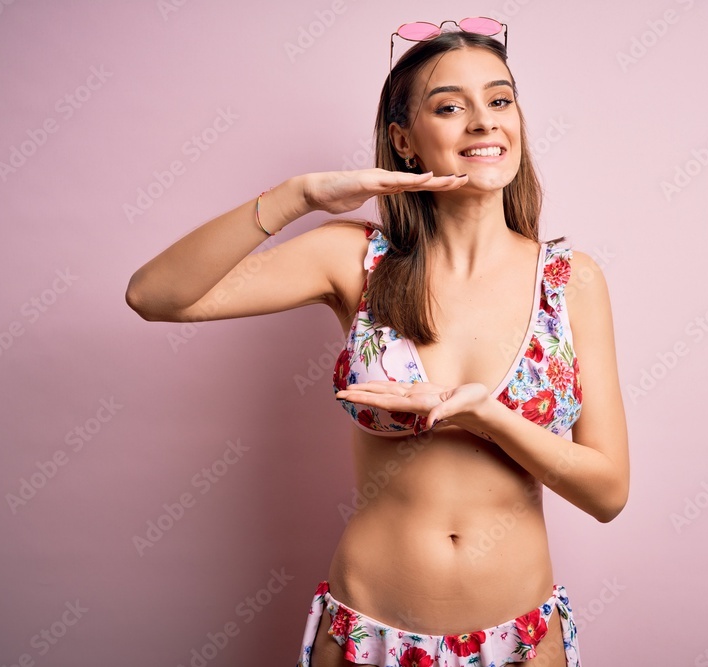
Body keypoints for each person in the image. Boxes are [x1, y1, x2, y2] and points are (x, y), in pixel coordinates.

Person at [125, 17, 628, 667]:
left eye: (500, 100)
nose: (483, 121)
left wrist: (485, 415)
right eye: (450, 106)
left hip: (521, 639)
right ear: (404, 140)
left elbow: (608, 491)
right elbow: (154, 295)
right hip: (371, 633)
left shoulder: (570, 280)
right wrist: (298, 196)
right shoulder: (356, 259)